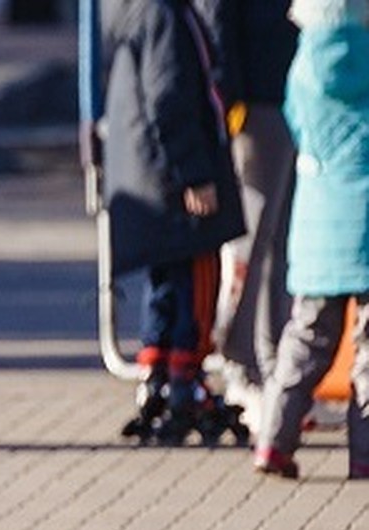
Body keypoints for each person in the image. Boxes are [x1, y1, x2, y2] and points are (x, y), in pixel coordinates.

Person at [101, 0, 246, 443]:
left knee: (164, 285)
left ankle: (156, 373)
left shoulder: (135, 10)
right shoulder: (164, 14)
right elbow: (170, 95)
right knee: (197, 281)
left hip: (148, 176)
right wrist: (196, 175)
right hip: (174, 180)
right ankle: (187, 379)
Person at [252, 0, 369, 480]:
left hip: (317, 223)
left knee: (305, 336)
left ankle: (273, 442)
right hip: (365, 223)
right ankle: (364, 454)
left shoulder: (302, 69)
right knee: (368, 346)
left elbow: (296, 124)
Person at [209, 0, 299, 437]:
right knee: (254, 241)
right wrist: (233, 104)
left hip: (295, 94)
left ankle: (270, 363)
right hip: (258, 101)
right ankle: (239, 363)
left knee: (281, 246)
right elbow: (219, 22)